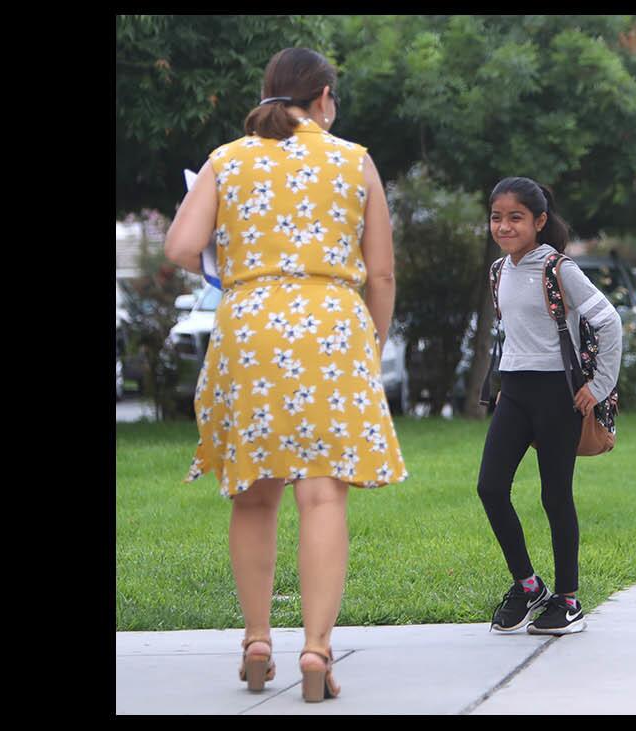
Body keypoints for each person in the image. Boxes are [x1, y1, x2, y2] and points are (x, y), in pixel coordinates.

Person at [163, 48, 408, 702]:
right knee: (321, 492)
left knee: (253, 492)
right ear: (324, 96)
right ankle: (317, 648)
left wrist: (239, 274)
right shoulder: (352, 159)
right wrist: (372, 342)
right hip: (332, 325)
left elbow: (180, 246)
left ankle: (258, 638)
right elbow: (381, 272)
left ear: (271, 94)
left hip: (249, 322)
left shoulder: (228, 158)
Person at [478, 177, 622, 635]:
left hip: (559, 395)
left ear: (539, 221)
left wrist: (597, 386)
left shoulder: (559, 269)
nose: (504, 226)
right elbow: (513, 332)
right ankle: (527, 585)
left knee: (554, 496)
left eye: (515, 217)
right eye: (497, 217)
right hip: (515, 392)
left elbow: (608, 321)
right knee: (490, 487)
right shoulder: (500, 270)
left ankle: (569, 599)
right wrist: (505, 381)